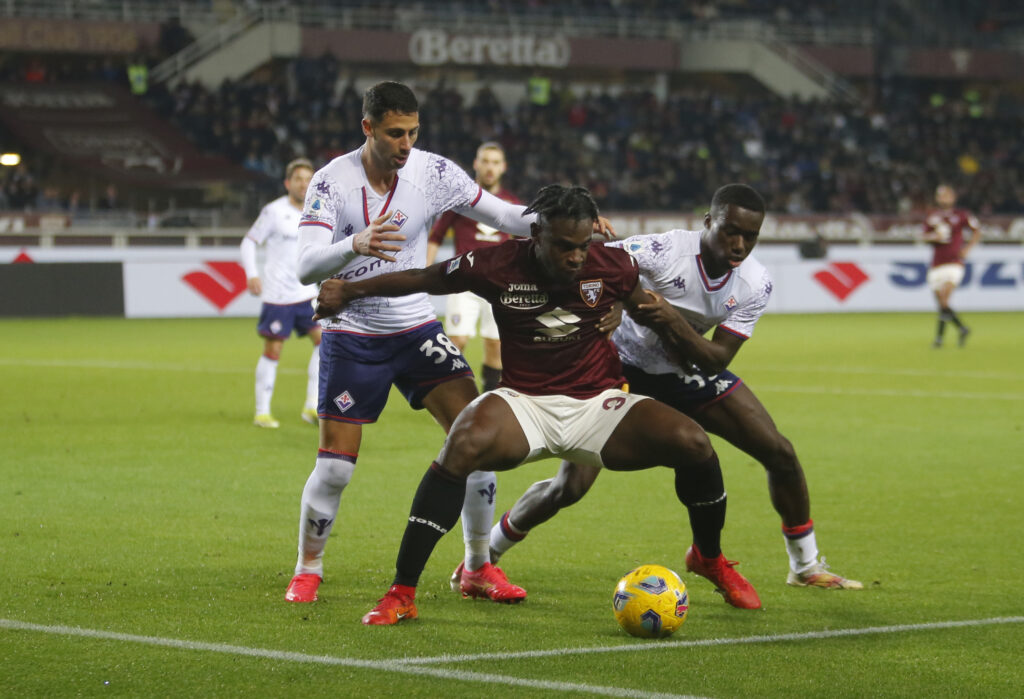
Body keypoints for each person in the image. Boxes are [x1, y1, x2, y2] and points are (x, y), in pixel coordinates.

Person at [315, 184, 759, 625]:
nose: (576, 257)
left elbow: (643, 303)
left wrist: (625, 308)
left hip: (598, 404)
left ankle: (709, 557)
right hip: (524, 403)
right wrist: (351, 291)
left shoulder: (613, 265)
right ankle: (402, 592)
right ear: (537, 235)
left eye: (583, 247)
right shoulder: (495, 264)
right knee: (463, 442)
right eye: (565, 247)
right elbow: (424, 278)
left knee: (694, 444)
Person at [285, 81, 614, 605]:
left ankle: (478, 568)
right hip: (353, 334)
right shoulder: (332, 183)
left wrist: (566, 223)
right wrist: (356, 243)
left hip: (417, 328)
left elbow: (505, 216)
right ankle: (309, 566)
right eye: (395, 133)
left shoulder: (433, 173)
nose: (406, 144)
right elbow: (304, 266)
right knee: (334, 468)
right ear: (367, 128)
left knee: (476, 445)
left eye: (413, 132)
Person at [486, 183, 863, 598]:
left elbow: (716, 359)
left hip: (688, 371)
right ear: (708, 222)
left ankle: (804, 566)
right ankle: (487, 552)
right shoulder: (663, 251)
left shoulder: (756, 283)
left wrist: (667, 319)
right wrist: (617, 302)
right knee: (569, 488)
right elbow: (598, 264)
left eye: (750, 236)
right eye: (729, 231)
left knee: (780, 452)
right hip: (620, 371)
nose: (739, 244)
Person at [425, 142, 519, 393]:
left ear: (504, 168)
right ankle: (450, 397)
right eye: (485, 161)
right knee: (457, 340)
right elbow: (436, 236)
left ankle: (488, 400)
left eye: (495, 162)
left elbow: (523, 245)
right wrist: (422, 273)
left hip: (498, 286)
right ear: (476, 164)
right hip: (463, 283)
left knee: (495, 346)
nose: (490, 168)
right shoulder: (461, 200)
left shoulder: (511, 203)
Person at [240, 157, 321, 428]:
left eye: (309, 179)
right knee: (273, 349)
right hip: (278, 296)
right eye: (298, 179)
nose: (303, 184)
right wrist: (251, 273)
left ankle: (312, 406)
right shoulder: (273, 211)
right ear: (288, 183)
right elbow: (249, 242)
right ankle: (262, 412)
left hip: (307, 294)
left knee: (326, 343)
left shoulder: (318, 212)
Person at [922, 184, 981, 348]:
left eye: (947, 195)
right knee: (941, 303)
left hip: (954, 262)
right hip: (936, 264)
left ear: (953, 198)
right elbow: (924, 236)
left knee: (944, 297)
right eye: (941, 196)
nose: (944, 199)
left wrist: (967, 248)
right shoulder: (932, 216)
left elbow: (977, 231)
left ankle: (939, 340)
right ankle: (962, 328)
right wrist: (933, 236)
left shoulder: (961, 215)